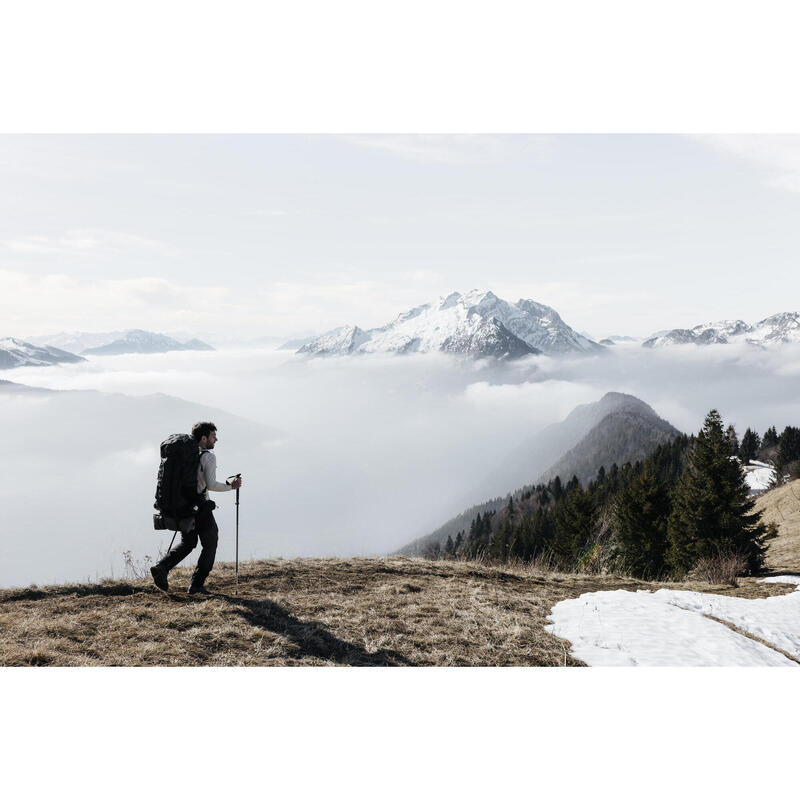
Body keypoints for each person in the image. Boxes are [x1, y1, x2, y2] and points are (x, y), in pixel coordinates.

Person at [150, 421, 243, 595]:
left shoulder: (187, 454)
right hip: (200, 506)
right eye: (213, 436)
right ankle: (197, 584)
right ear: (203, 437)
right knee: (210, 543)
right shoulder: (208, 456)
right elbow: (211, 484)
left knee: (189, 542)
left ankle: (162, 567)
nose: (216, 440)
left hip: (184, 505)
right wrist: (232, 486)